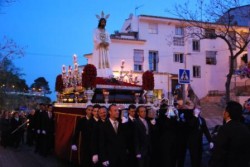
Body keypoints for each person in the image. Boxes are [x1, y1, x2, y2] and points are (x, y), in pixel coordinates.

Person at [209, 101, 250, 167]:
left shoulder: (225, 129)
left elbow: (219, 152)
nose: (223, 112)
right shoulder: (245, 128)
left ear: (227, 114)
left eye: (224, 110)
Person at [92, 11, 112, 78]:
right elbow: (95, 38)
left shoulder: (106, 32)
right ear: (100, 22)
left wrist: (107, 43)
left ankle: (107, 74)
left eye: (104, 22)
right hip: (99, 48)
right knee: (98, 61)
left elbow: (109, 40)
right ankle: (99, 74)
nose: (103, 23)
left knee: (106, 62)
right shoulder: (96, 30)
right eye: (102, 22)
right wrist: (100, 42)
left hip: (105, 49)